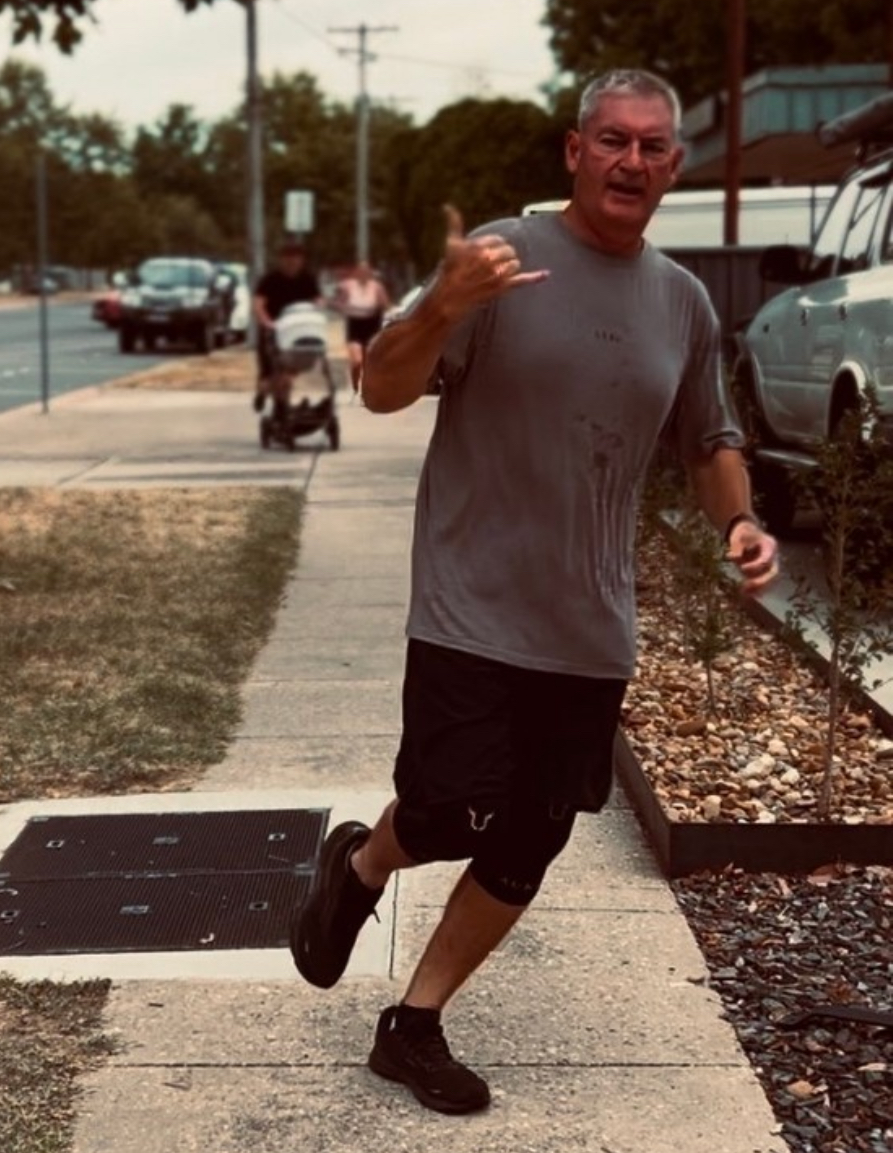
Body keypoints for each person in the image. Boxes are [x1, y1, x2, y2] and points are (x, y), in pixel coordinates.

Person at [289, 69, 780, 1116]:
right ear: (574, 150)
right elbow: (379, 388)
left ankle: (412, 1025)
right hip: (469, 604)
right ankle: (362, 865)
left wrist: (736, 521)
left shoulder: (681, 302)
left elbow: (708, 440)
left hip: (587, 625)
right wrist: (443, 304)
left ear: (673, 164)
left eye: (651, 145)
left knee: (530, 835)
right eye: (611, 140)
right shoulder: (498, 261)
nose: (630, 161)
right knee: (447, 811)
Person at [252, 239, 323, 417]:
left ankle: (281, 406)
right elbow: (258, 304)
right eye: (288, 257)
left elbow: (318, 300)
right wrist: (267, 322)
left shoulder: (307, 279)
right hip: (273, 331)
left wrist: (317, 311)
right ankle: (263, 392)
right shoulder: (270, 279)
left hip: (296, 333)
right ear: (281, 259)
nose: (292, 261)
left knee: (286, 374)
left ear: (302, 259)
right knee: (269, 378)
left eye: (296, 257)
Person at [335, 260, 392, 392]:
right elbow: (338, 302)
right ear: (356, 273)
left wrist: (383, 308)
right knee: (357, 361)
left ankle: (366, 389)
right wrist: (344, 307)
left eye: (366, 271)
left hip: (371, 324)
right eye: (361, 271)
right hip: (354, 324)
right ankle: (355, 383)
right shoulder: (348, 286)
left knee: (369, 362)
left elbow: (385, 304)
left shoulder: (377, 287)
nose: (363, 274)